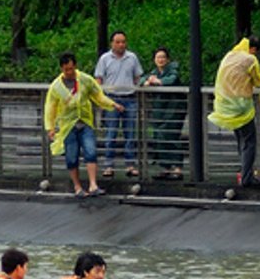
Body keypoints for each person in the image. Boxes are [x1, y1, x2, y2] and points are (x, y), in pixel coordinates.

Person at [43, 52, 117, 198]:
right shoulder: (56, 86)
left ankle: (93, 184)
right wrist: (50, 127)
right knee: (72, 156)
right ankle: (77, 186)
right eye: (66, 70)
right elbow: (50, 107)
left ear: (75, 66)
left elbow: (98, 95)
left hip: (85, 122)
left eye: (71, 69)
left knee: (91, 151)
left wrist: (112, 104)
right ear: (62, 69)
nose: (69, 72)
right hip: (68, 125)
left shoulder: (85, 80)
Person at [207, 38, 260, 188]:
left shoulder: (229, 55)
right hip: (241, 106)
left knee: (240, 139)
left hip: (224, 105)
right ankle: (247, 177)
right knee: (250, 142)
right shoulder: (250, 59)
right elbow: (258, 81)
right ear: (254, 49)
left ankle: (243, 171)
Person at [93, 31, 143, 178]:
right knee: (111, 133)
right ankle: (108, 165)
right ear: (112, 43)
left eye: (123, 42)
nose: (121, 44)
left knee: (130, 133)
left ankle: (130, 164)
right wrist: (101, 98)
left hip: (129, 98)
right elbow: (99, 78)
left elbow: (137, 76)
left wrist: (134, 87)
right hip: (111, 98)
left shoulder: (132, 57)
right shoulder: (105, 59)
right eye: (118, 42)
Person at [143, 47, 184, 179]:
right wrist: (147, 81)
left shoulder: (173, 71)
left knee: (171, 135)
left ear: (167, 59)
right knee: (159, 136)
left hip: (173, 108)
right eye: (158, 57)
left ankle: (177, 167)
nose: (160, 60)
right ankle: (165, 167)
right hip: (159, 110)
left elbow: (171, 80)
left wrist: (158, 82)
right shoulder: (154, 72)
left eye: (163, 57)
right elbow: (142, 79)